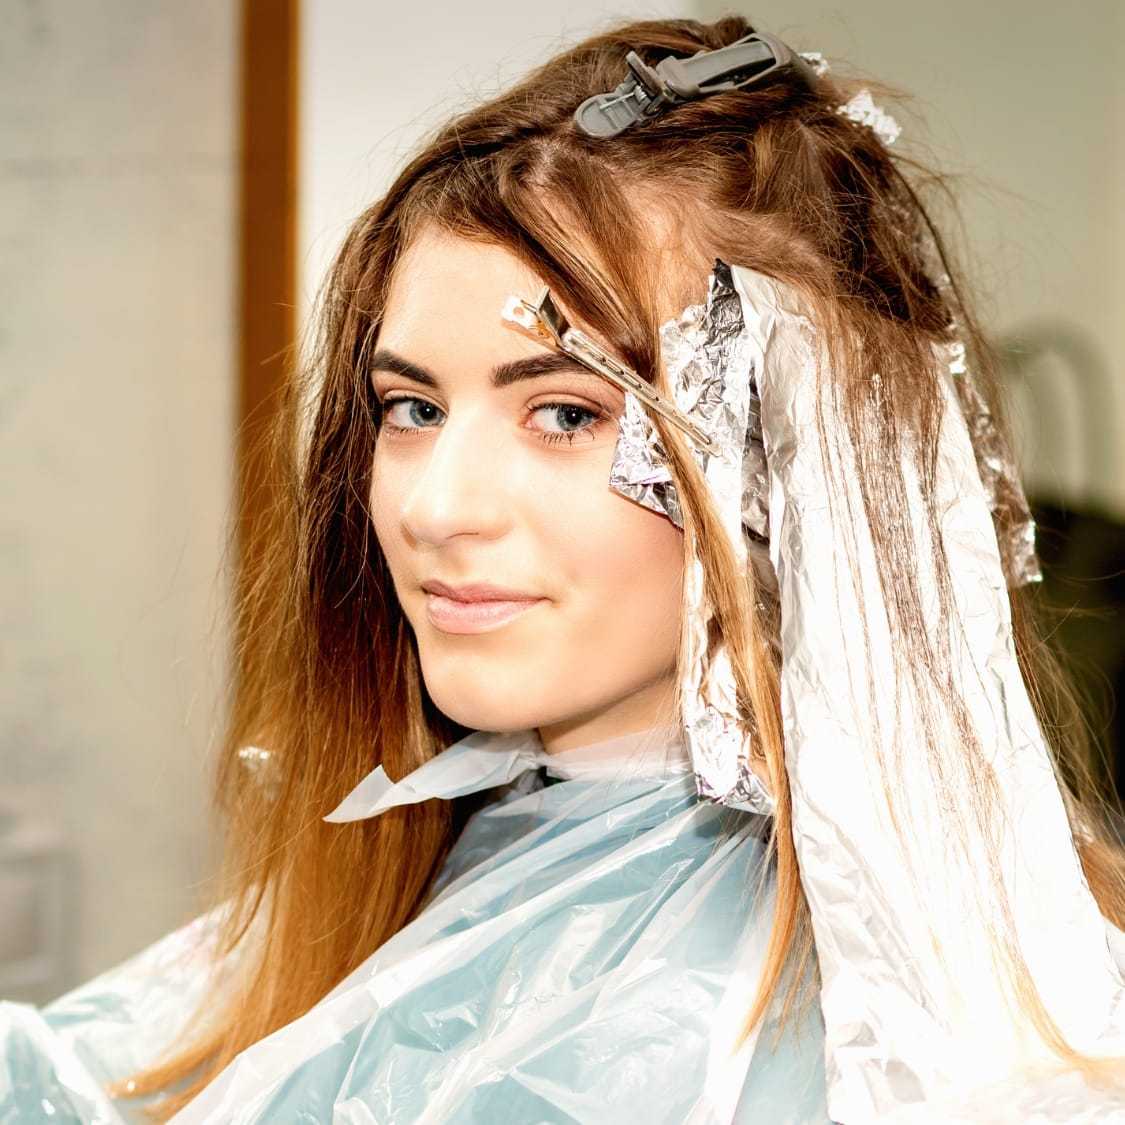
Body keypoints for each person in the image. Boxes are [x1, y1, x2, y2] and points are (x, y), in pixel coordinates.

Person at [3, 15, 1125, 1123]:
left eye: (566, 413)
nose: (434, 508)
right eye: (412, 407)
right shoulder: (403, 873)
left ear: (796, 451)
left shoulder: (917, 1052)